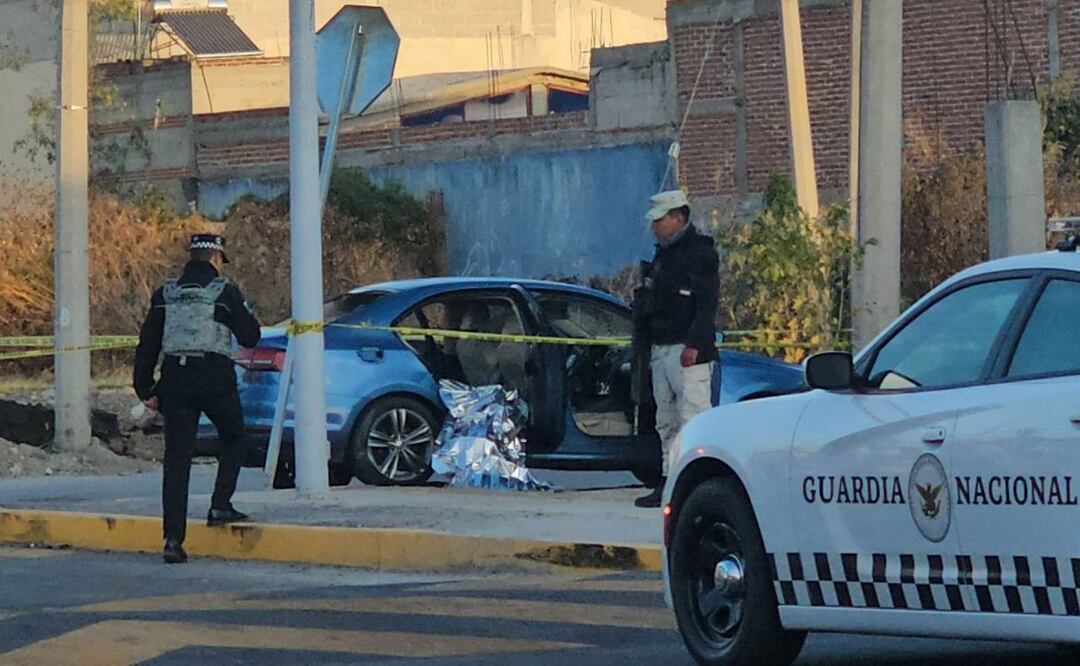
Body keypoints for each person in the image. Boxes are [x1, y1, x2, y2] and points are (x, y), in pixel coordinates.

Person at [133, 234, 261, 563]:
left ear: (191, 257)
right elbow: (250, 336)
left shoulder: (166, 294)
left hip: (175, 380)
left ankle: (173, 540)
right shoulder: (224, 292)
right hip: (215, 378)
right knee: (234, 437)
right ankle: (220, 504)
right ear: (217, 259)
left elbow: (148, 343)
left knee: (177, 459)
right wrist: (243, 311)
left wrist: (146, 388)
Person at [632, 190, 720, 508]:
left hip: (687, 351)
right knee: (666, 420)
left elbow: (707, 304)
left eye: (660, 220)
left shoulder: (700, 252)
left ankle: (696, 482)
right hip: (661, 347)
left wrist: (695, 344)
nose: (655, 226)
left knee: (693, 419)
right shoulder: (662, 256)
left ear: (678, 218)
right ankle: (668, 481)